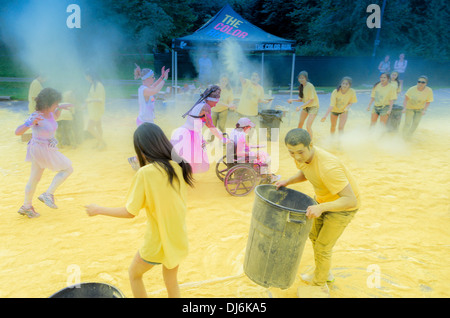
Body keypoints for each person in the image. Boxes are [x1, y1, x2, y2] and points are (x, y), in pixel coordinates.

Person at [85, 123, 194, 298]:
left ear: (142, 149)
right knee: (171, 282)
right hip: (178, 238)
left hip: (157, 242)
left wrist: (98, 209)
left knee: (134, 275)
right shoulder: (179, 166)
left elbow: (130, 211)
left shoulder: (145, 173)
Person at [275, 128, 360, 296]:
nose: (297, 157)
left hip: (342, 208)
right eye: (292, 153)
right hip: (321, 202)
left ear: (311, 145)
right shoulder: (301, 157)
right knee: (314, 238)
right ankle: (324, 273)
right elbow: (305, 172)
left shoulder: (328, 167)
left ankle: (319, 285)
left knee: (323, 246)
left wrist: (321, 208)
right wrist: (288, 181)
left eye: (300, 152)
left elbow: (351, 200)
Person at [15, 88, 74, 218]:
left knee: (34, 179)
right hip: (41, 149)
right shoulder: (37, 116)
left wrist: (60, 108)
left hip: (42, 148)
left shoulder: (51, 113)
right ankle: (48, 194)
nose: (57, 105)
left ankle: (26, 206)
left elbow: (54, 119)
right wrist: (29, 123)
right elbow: (18, 132)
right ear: (48, 104)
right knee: (68, 168)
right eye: (56, 103)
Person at [171, 85, 229, 174]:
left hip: (189, 133)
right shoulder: (206, 107)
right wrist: (222, 139)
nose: (216, 104)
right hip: (189, 135)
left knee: (191, 159)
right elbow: (210, 125)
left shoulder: (201, 104)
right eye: (216, 102)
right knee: (190, 160)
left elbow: (200, 124)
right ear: (210, 100)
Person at [227, 117, 280, 183]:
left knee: (262, 153)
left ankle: (268, 174)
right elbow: (239, 153)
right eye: (249, 127)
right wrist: (254, 154)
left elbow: (243, 146)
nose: (250, 129)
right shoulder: (242, 136)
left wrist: (256, 146)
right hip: (242, 158)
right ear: (245, 127)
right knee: (265, 157)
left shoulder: (234, 131)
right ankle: (268, 177)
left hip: (234, 155)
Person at [288, 71, 320, 138]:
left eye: (302, 78)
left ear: (306, 78)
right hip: (306, 107)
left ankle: (310, 142)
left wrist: (300, 106)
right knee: (300, 123)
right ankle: (298, 137)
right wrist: (292, 100)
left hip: (313, 107)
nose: (301, 79)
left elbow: (311, 100)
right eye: (299, 78)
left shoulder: (310, 86)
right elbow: (301, 99)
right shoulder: (301, 87)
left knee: (308, 126)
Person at [402, 75, 434, 140]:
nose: (420, 83)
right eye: (419, 82)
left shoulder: (429, 90)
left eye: (423, 82)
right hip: (410, 108)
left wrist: (424, 110)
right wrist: (405, 108)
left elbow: (428, 101)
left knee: (415, 123)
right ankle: (403, 136)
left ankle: (409, 135)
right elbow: (405, 99)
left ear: (426, 83)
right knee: (407, 123)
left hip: (419, 109)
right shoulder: (411, 89)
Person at [85, 69, 106, 150]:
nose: (85, 78)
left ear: (89, 76)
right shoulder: (93, 85)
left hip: (96, 111)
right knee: (98, 126)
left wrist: (90, 100)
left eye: (86, 76)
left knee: (89, 128)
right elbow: (91, 97)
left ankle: (102, 142)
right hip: (94, 110)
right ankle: (99, 142)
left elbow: (100, 99)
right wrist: (85, 104)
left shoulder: (98, 85)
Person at [210, 75, 235, 141]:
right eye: (222, 80)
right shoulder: (215, 88)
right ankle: (211, 139)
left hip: (223, 110)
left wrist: (231, 105)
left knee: (221, 126)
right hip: (214, 110)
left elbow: (230, 100)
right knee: (213, 126)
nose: (224, 82)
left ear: (227, 82)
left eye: (225, 81)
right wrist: (228, 105)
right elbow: (216, 100)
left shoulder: (229, 89)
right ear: (219, 80)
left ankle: (223, 140)